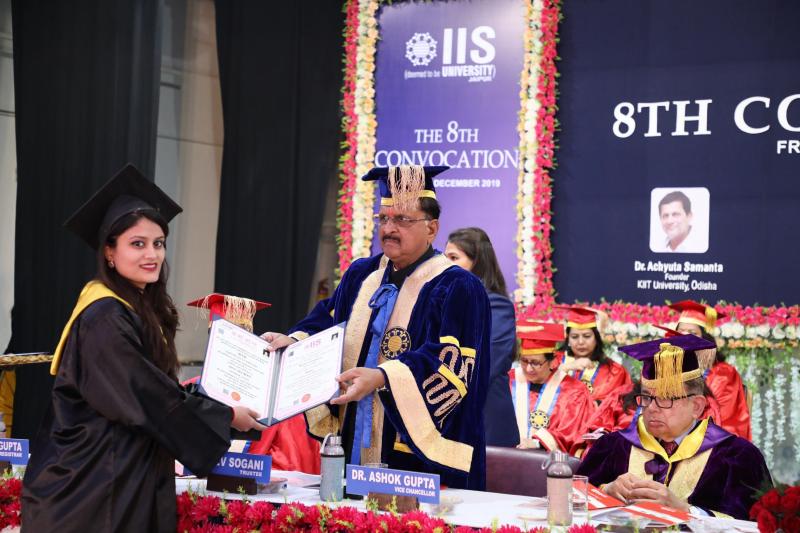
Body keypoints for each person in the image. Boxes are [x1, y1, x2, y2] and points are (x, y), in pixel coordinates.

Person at [22, 165, 265, 532]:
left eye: (158, 243)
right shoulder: (104, 317)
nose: (152, 254)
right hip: (91, 489)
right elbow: (148, 396)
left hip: (119, 477)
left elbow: (156, 390)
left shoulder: (134, 307)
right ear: (109, 251)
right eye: (137, 244)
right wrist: (225, 415)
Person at [261, 165, 491, 490]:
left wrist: (383, 377)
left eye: (403, 220)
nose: (389, 229)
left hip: (416, 456)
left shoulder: (458, 286)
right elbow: (329, 320)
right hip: (354, 431)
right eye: (383, 219)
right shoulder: (361, 274)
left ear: (432, 227)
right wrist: (294, 341)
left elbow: (454, 362)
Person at [577, 334, 771, 520]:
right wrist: (606, 491)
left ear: (697, 406)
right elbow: (572, 499)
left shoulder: (737, 457)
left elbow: (755, 523)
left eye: (666, 398)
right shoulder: (614, 446)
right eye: (647, 397)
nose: (652, 408)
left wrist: (685, 510)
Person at [445, 227, 518, 447]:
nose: (446, 265)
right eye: (444, 258)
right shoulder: (443, 302)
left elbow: (488, 364)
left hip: (485, 420)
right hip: (447, 412)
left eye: (454, 258)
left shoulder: (496, 305)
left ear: (477, 262)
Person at [669, 300, 751, 440]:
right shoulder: (665, 367)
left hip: (708, 441)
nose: (685, 337)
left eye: (693, 332)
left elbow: (724, 419)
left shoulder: (723, 373)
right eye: (680, 331)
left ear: (705, 339)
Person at [511, 321, 595, 455]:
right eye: (524, 361)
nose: (529, 368)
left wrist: (537, 442)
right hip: (503, 456)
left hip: (549, 461)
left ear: (553, 361)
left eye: (536, 363)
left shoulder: (575, 391)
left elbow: (572, 431)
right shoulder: (508, 381)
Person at [556, 305, 631, 405]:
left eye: (587, 336)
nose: (581, 342)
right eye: (574, 337)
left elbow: (615, 405)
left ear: (597, 339)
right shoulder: (553, 361)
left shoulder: (613, 371)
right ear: (568, 339)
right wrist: (565, 368)